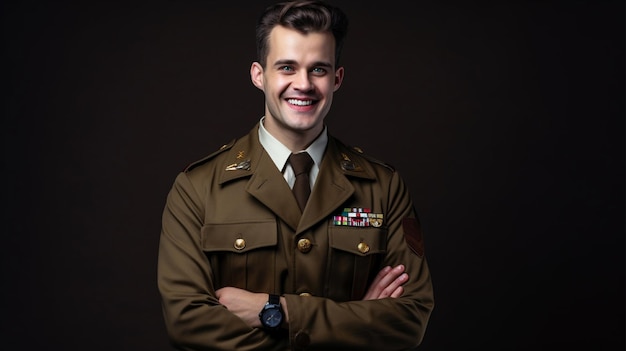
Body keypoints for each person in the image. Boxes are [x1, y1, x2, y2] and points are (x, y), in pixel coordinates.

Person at [157, 0, 434, 349]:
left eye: (318, 69)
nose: (303, 84)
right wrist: (354, 321)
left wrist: (276, 310)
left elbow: (408, 320)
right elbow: (188, 324)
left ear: (337, 78)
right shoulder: (197, 188)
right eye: (287, 67)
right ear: (259, 75)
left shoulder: (384, 187)